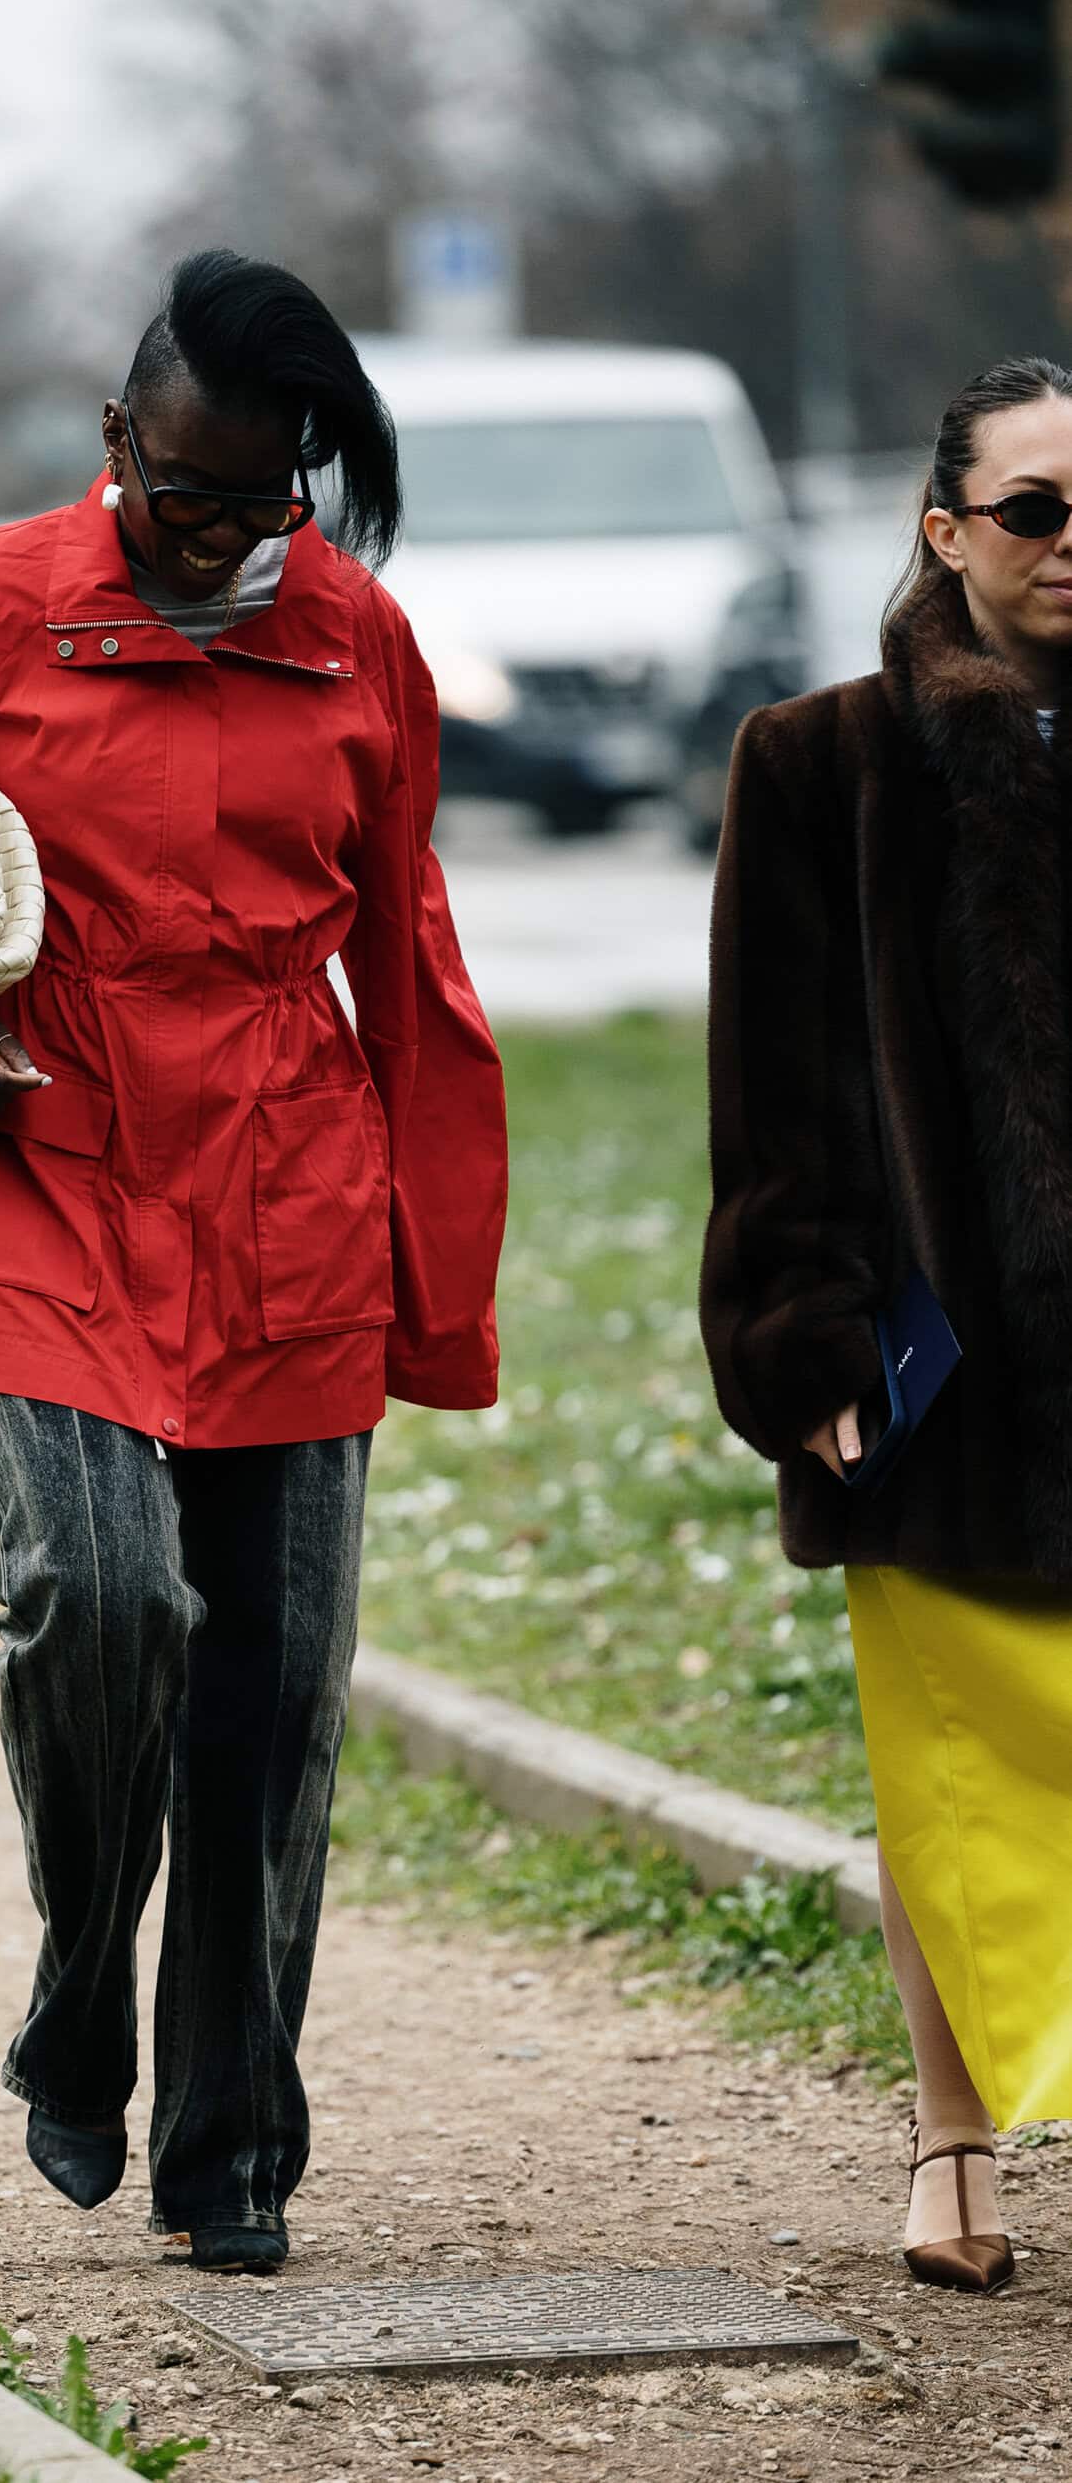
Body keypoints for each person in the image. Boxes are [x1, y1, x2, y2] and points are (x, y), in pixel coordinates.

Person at [0, 250, 507, 2275]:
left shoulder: (356, 636)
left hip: (284, 1187)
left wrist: (435, 1283)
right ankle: (83, 1986)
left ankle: (233, 2136)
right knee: (93, 1592)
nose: (224, 538)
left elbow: (409, 958)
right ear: (117, 440)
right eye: (188, 496)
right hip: (36, 1159)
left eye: (267, 501)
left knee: (275, 1680)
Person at [702, 355, 1072, 2297]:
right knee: (959, 1753)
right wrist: (804, 1329)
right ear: (946, 529)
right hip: (951, 1350)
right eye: (1037, 509)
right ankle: (952, 2130)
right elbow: (773, 1087)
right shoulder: (819, 760)